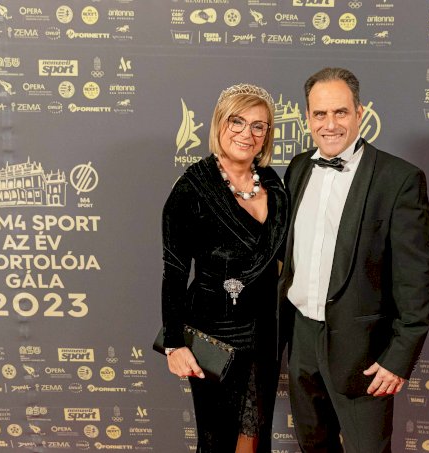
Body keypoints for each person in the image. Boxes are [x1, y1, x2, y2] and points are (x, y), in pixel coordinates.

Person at [277, 67, 429, 453]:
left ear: (360, 112)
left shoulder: (399, 179)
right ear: (307, 118)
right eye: (320, 114)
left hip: (364, 349)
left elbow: (416, 279)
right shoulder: (298, 168)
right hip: (301, 338)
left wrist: (398, 358)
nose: (330, 124)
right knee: (313, 446)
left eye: (340, 112)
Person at [162, 83, 288, 453]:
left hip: (264, 332)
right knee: (217, 438)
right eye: (237, 121)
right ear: (220, 124)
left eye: (258, 125)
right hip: (215, 334)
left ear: (267, 134)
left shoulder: (274, 184)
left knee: (255, 434)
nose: (247, 133)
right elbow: (174, 272)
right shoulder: (192, 189)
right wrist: (174, 344)